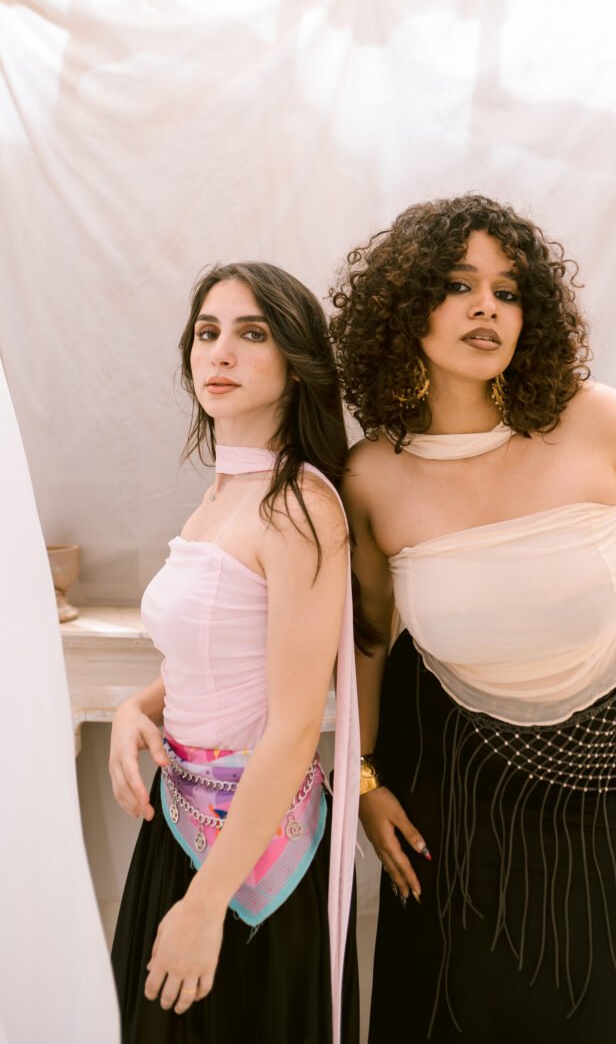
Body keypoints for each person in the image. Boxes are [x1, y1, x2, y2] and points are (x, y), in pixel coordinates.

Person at [329, 194, 616, 1044]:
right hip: (452, 783)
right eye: (458, 284)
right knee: (449, 1013)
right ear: (404, 308)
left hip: (604, 774)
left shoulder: (604, 424)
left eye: (508, 290)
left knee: (590, 1013)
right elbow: (369, 638)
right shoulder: (373, 473)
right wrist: (366, 781)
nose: (486, 306)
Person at [109, 262, 360, 1044]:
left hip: (250, 860)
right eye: (207, 332)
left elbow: (294, 725)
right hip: (176, 825)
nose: (219, 351)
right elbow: (214, 652)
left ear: (296, 362)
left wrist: (206, 903)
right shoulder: (220, 494)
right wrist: (134, 706)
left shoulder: (301, 507)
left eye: (252, 334)